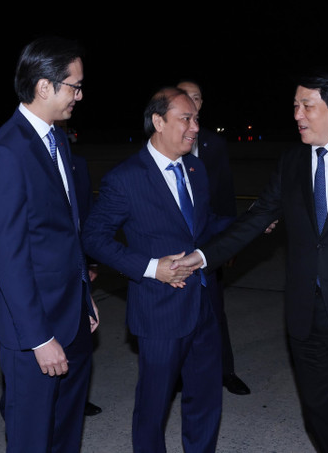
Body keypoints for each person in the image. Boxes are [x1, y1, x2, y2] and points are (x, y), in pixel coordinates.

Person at [173, 66, 328, 452]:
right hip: (305, 317)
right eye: (294, 106)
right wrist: (203, 256)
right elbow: (257, 218)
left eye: (306, 106)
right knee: (318, 414)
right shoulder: (291, 161)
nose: (297, 115)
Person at [81, 87, 232, 453]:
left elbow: (203, 224)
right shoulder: (126, 178)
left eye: (197, 119)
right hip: (159, 312)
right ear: (158, 121)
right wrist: (152, 268)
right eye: (186, 119)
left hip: (204, 305)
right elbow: (94, 238)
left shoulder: (195, 169)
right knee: (153, 406)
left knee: (206, 399)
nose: (195, 127)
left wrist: (245, 226)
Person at [0, 36, 99, 453]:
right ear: (44, 86)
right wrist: (39, 338)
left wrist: (86, 296)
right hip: (36, 332)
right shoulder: (6, 151)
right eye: (75, 86)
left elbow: (68, 230)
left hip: (74, 319)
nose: (79, 96)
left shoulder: (57, 140)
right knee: (32, 440)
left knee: (66, 436)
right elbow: (8, 256)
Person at [176, 79, 250, 396]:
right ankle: (178, 372)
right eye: (184, 97)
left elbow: (224, 194)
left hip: (209, 240)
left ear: (202, 103)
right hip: (174, 245)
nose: (191, 102)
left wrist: (229, 240)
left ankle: (225, 371)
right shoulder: (161, 138)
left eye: (196, 97)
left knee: (214, 309)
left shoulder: (212, 145)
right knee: (177, 311)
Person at [70, 152, 102, 417]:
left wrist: (91, 261)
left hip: (78, 263)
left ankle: (76, 397)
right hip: (43, 268)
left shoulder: (76, 160)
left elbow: (86, 212)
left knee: (80, 336)